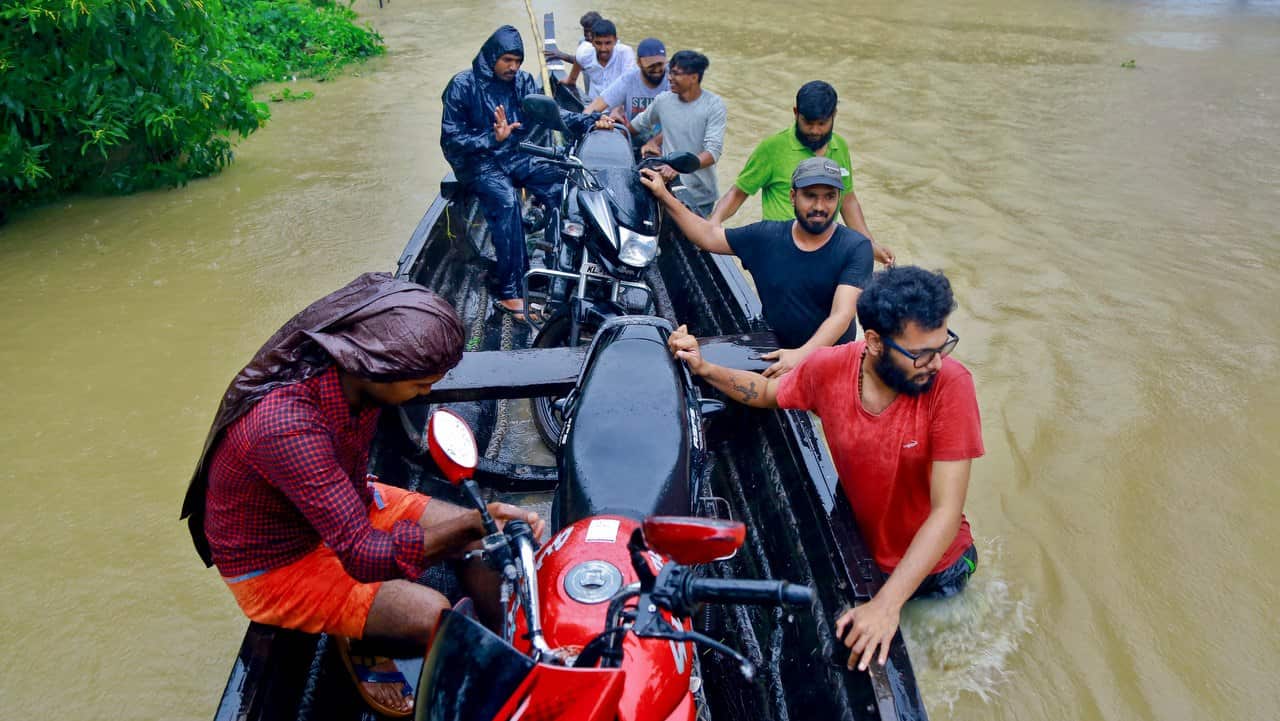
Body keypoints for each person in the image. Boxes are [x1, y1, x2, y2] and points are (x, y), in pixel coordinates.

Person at [180, 273, 548, 716]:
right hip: (279, 562)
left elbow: (359, 526)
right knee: (433, 613)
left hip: (345, 501)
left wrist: (477, 527)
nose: (427, 392)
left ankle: (514, 650)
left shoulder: (357, 384)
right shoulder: (285, 426)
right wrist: (472, 519)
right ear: (373, 367)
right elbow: (362, 555)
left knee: (485, 539)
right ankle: (362, 635)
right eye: (419, 385)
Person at [664, 266, 983, 673]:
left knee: (939, 667)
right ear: (874, 342)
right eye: (921, 354)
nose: (937, 363)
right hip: (872, 558)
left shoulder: (951, 385)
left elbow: (946, 511)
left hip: (940, 570)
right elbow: (765, 392)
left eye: (944, 346)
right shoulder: (828, 369)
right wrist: (704, 368)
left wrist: (886, 605)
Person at [441, 26, 613, 323]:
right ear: (492, 56)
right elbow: (451, 139)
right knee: (507, 202)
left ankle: (560, 267)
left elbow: (552, 115)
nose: (513, 67)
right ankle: (510, 292)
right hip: (478, 163)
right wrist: (490, 139)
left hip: (514, 155)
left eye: (518, 61)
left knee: (565, 185)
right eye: (507, 60)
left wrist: (590, 121)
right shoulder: (462, 85)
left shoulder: (522, 81)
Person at [640, 157, 873, 376]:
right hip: (775, 349)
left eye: (830, 197)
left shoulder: (855, 248)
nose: (820, 206)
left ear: (839, 198)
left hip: (830, 361)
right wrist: (663, 195)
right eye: (810, 196)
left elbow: (841, 315)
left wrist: (801, 356)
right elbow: (708, 236)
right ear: (793, 196)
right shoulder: (766, 237)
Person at [708, 80, 894, 266]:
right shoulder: (772, 148)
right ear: (796, 113)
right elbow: (739, 192)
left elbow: (847, 200)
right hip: (779, 251)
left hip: (822, 250)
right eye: (808, 123)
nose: (815, 131)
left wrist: (869, 244)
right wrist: (714, 222)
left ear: (834, 116)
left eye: (822, 123)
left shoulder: (840, 147)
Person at [630, 50, 726, 216]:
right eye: (670, 72)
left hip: (700, 197)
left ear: (694, 77)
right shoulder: (663, 101)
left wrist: (678, 167)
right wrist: (611, 126)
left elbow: (712, 153)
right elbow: (636, 126)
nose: (669, 78)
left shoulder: (713, 105)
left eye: (675, 74)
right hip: (667, 189)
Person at [584, 37, 669, 141]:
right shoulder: (629, 79)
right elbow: (593, 108)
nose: (656, 69)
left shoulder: (673, 78)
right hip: (633, 140)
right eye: (651, 66)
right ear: (639, 63)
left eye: (660, 64)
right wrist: (595, 121)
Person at [566, 18, 635, 94]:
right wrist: (571, 79)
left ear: (615, 41)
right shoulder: (585, 52)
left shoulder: (625, 53)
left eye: (608, 43)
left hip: (618, 103)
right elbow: (578, 58)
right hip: (593, 103)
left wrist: (620, 105)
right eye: (598, 43)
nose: (603, 49)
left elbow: (629, 84)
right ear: (591, 42)